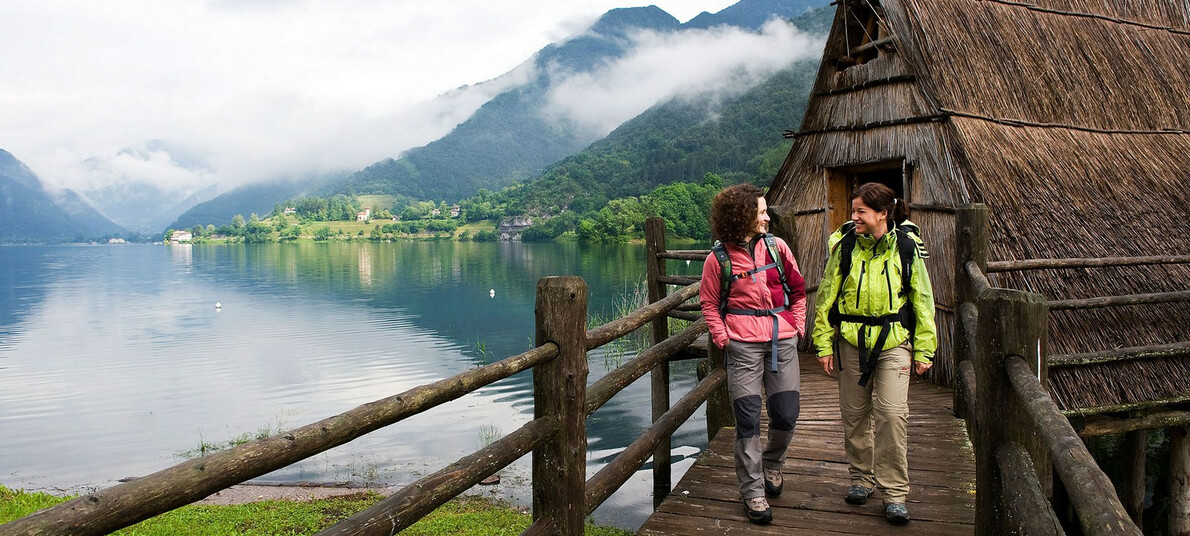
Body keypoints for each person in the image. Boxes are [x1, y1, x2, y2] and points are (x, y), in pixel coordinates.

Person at [812, 182, 937, 524]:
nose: (854, 218)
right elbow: (826, 298)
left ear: (883, 214)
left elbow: (922, 300)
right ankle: (860, 478)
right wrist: (823, 343)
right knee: (854, 415)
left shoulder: (906, 248)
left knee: (892, 416)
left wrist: (925, 348)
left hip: (894, 342)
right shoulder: (846, 247)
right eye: (853, 212)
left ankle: (894, 493)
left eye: (860, 212)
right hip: (851, 342)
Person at [699, 184, 807, 525]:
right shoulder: (717, 259)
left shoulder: (777, 248)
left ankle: (773, 464)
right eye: (760, 211)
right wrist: (721, 335)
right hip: (742, 347)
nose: (766, 216)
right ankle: (753, 492)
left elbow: (799, 290)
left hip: (782, 341)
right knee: (747, 421)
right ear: (741, 216)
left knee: (786, 415)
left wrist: (798, 325)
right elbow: (709, 302)